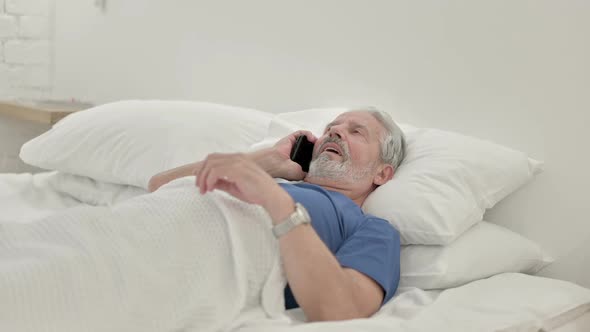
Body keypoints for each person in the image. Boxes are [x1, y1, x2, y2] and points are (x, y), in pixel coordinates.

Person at [148, 108, 406, 322]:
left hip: (179, 275)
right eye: (330, 128)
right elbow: (159, 186)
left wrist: (275, 201)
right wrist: (265, 162)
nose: (334, 132)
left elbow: (343, 310)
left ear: (382, 173)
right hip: (149, 228)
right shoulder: (270, 180)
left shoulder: (373, 229)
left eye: (356, 131)